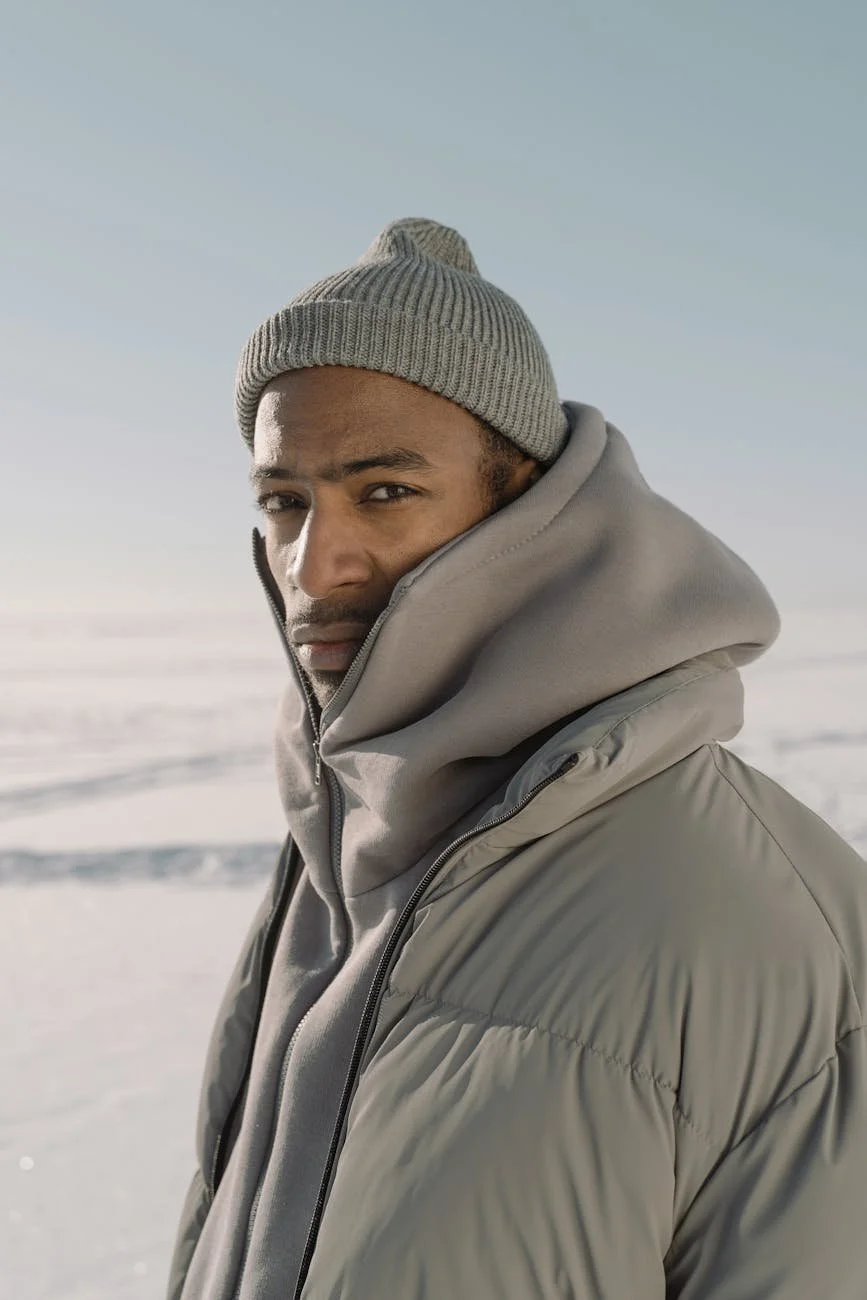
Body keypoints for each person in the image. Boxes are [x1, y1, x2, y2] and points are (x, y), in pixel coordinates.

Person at [168, 218, 867, 1300]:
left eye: (384, 491)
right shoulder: (335, 851)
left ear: (529, 501)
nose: (314, 562)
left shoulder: (758, 920)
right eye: (282, 502)